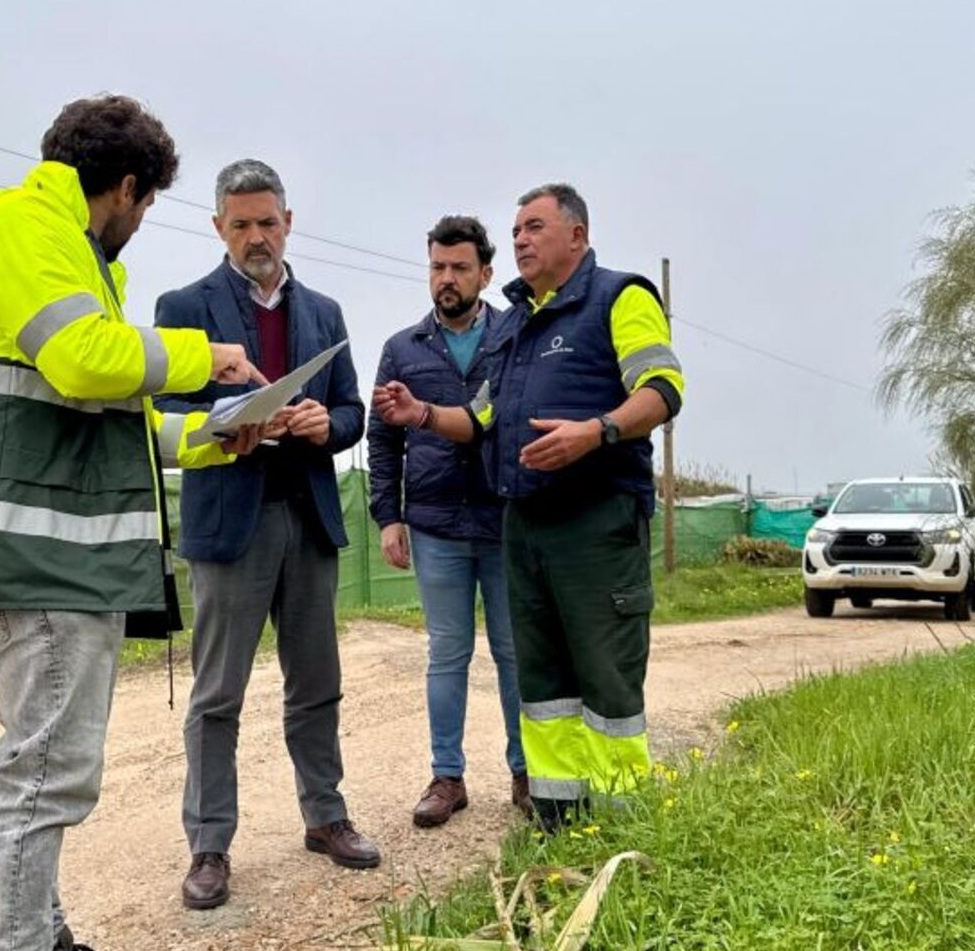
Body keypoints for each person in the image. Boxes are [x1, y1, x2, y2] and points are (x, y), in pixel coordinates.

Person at [0, 96, 266, 951]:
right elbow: (85, 362)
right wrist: (207, 355)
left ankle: (40, 927)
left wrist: (215, 437)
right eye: (146, 204)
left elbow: (98, 425)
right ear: (126, 186)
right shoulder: (24, 227)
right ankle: (14, 940)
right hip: (34, 554)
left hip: (45, 548)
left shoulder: (64, 255)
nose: (139, 221)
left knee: (43, 759)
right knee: (46, 769)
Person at [372, 183, 685, 832]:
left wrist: (595, 431)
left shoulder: (619, 297)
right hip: (526, 527)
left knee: (604, 676)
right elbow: (481, 417)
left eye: (534, 226)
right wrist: (421, 413)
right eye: (516, 229)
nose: (520, 239)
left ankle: (624, 824)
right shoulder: (516, 325)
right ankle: (558, 818)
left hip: (597, 522)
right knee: (544, 684)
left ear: (577, 234)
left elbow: (663, 387)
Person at [152, 159, 375, 910]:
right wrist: (227, 427)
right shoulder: (182, 305)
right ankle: (209, 845)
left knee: (317, 683)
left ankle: (326, 815)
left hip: (307, 516)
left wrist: (324, 424)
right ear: (218, 226)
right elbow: (168, 412)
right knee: (218, 695)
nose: (256, 236)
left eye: (267, 222)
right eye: (241, 223)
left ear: (288, 222)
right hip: (231, 523)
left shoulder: (325, 311)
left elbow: (353, 413)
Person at [367, 215, 528, 828]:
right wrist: (388, 516)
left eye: (460, 267)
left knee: (515, 651)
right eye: (438, 267)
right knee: (447, 652)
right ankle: (446, 776)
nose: (447, 279)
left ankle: (525, 771)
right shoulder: (402, 349)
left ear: (486, 274)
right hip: (434, 523)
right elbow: (383, 440)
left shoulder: (513, 336)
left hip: (504, 517)